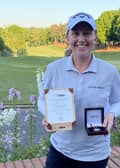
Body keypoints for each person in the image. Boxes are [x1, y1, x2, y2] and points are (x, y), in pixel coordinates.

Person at [38, 12, 120, 168]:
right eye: (76, 33)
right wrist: (48, 115)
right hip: (61, 150)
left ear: (95, 37)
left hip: (95, 154)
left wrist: (112, 113)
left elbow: (118, 101)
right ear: (67, 38)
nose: (81, 39)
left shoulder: (109, 71)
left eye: (87, 33)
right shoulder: (53, 69)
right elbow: (42, 100)